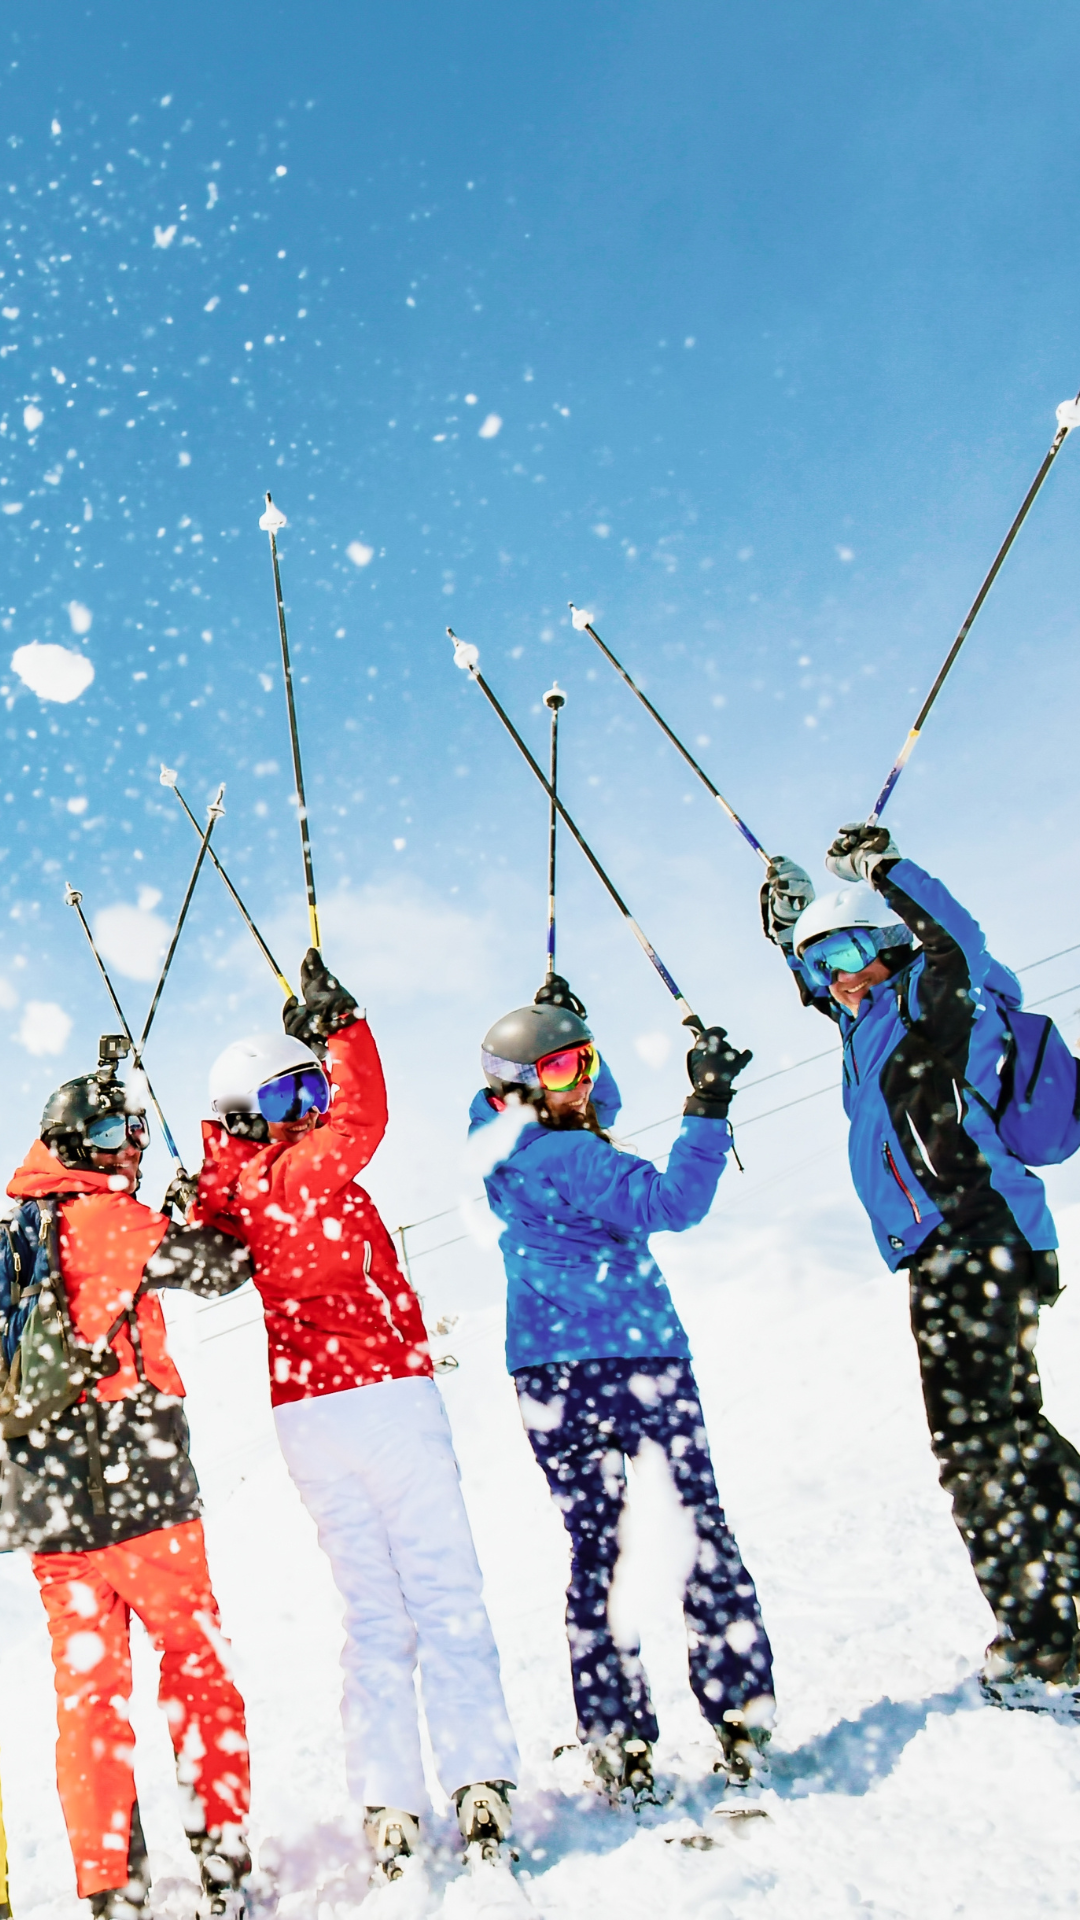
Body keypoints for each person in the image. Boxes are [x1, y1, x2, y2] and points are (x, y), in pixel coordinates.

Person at [192, 951, 519, 1881]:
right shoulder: (305, 1173)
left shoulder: (240, 1186)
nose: (307, 1111)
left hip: (310, 1417)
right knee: (443, 1592)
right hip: (381, 1395)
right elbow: (362, 1114)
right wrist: (343, 1029)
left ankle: (389, 1799)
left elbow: (225, 1194)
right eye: (287, 1099)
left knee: (374, 1611)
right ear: (253, 1117)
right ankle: (477, 1776)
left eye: (308, 1091)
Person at [760, 825, 1080, 1699]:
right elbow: (815, 982)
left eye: (860, 949)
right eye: (829, 965)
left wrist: (883, 872)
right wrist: (790, 914)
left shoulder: (939, 999)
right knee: (1011, 1432)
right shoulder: (860, 1020)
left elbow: (959, 939)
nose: (844, 975)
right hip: (947, 1253)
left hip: (978, 1241)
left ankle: (1045, 1647)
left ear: (895, 942)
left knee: (975, 1453)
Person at [469, 974, 775, 1802]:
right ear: (530, 1088)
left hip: (547, 1377)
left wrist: (557, 1030)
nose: (584, 1081)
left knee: (601, 1550)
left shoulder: (494, 1140)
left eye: (585, 1062)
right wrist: (708, 1105)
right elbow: (677, 1202)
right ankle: (742, 1711)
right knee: (695, 1533)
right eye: (563, 1071)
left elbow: (571, 1094)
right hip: (637, 1364)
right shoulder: (578, 1156)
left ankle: (615, 1735)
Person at [0, 1037, 254, 1919]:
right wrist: (205, 1198)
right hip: (138, 1490)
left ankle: (111, 1888)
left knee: (88, 1697)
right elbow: (223, 1268)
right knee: (197, 1667)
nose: (130, 1144)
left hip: (49, 1508)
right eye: (111, 1131)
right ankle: (221, 1866)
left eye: (135, 1127)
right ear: (71, 1146)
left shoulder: (23, 1228)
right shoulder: (108, 1218)